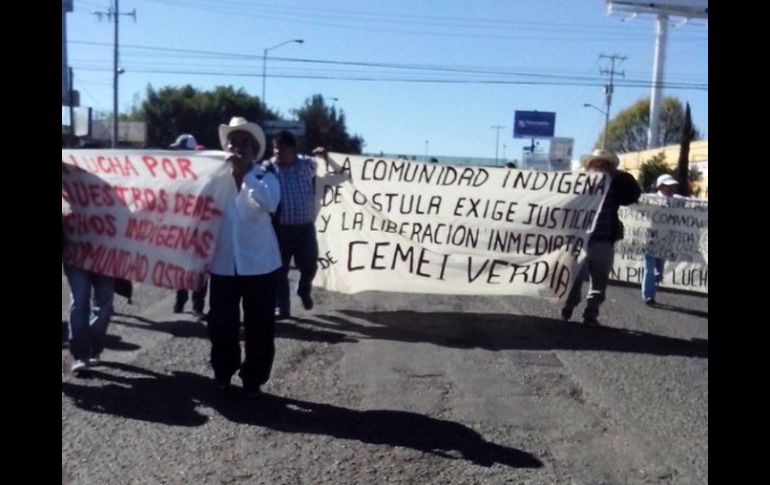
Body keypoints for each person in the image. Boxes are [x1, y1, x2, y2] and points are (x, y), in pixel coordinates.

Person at [207, 116, 282, 398]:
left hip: (260, 266)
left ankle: (253, 379)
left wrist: (245, 176)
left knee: (259, 327)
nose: (237, 148)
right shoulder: (215, 181)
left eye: (243, 144)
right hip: (223, 264)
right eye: (232, 143)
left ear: (253, 152)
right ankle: (223, 373)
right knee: (221, 325)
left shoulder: (265, 178)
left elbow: (270, 204)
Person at [561, 149, 641, 326]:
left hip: (603, 240)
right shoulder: (577, 185)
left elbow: (633, 194)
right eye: (595, 163)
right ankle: (569, 305)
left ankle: (591, 313)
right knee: (574, 279)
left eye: (604, 164)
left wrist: (617, 177)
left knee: (599, 280)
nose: (599, 166)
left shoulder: (615, 185)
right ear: (588, 166)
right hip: (580, 241)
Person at [269, 130, 319, 319]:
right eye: (275, 148)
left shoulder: (307, 165)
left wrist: (324, 156)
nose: (277, 152)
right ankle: (282, 306)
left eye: (282, 149)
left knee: (310, 264)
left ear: (293, 150)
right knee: (279, 269)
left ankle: (304, 288)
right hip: (280, 228)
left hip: (305, 227)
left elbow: (326, 165)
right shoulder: (268, 169)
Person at [62, 213, 116, 374]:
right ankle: (81, 355)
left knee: (104, 307)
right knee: (79, 304)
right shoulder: (68, 198)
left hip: (106, 256)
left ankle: (94, 347)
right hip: (75, 256)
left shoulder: (116, 199)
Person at [168, 134, 208, 317]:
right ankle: (181, 297)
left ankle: (197, 305)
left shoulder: (203, 172)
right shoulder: (176, 171)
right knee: (180, 265)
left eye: (180, 150)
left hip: (200, 226)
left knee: (199, 267)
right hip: (181, 225)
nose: (177, 153)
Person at [641, 174, 683, 305]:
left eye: (672, 186)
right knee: (649, 269)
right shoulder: (650, 199)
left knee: (658, 273)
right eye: (667, 186)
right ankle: (648, 296)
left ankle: (651, 289)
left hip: (665, 242)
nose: (671, 189)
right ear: (660, 187)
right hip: (649, 240)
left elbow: (695, 206)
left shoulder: (678, 200)